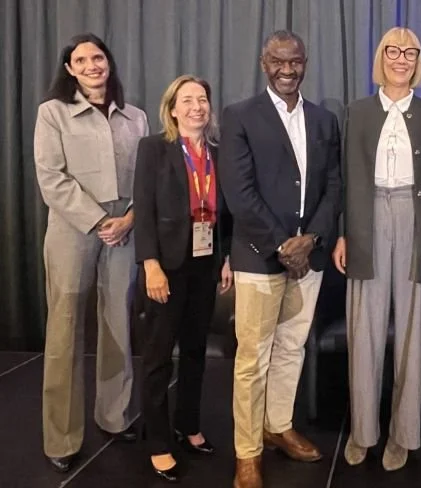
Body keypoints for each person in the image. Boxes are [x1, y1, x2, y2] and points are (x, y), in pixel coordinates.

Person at [219, 30, 341, 488]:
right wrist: (281, 246)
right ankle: (247, 451)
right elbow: (239, 192)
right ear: (262, 62)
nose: (286, 70)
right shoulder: (239, 117)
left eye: (295, 62)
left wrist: (310, 238)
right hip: (258, 258)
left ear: (305, 62)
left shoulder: (325, 120)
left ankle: (278, 425)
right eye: (277, 61)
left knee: (291, 348)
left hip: (310, 256)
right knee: (252, 358)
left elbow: (335, 185)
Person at [332, 26, 421, 472]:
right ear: (380, 56)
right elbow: (344, 178)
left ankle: (403, 435)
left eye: (410, 52)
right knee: (362, 330)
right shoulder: (356, 112)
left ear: (419, 60)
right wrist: (344, 231)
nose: (401, 59)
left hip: (417, 221)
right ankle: (364, 433)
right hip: (366, 220)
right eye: (392, 50)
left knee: (413, 331)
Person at [33, 33, 148, 473]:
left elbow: (146, 178)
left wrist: (130, 218)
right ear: (69, 69)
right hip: (73, 230)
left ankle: (114, 416)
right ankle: (61, 436)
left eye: (97, 57)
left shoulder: (135, 117)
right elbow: (51, 178)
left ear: (108, 62)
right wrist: (99, 221)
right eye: (80, 60)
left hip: (124, 230)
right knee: (65, 329)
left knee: (118, 321)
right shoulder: (53, 113)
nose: (91, 65)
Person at [133, 75, 233, 482]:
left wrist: (225, 258)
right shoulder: (154, 148)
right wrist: (150, 264)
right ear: (172, 108)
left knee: (194, 352)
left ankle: (187, 425)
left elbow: (225, 214)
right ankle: (158, 442)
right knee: (159, 358)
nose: (197, 106)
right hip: (167, 266)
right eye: (187, 100)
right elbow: (144, 207)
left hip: (206, 264)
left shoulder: (218, 152)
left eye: (203, 99)